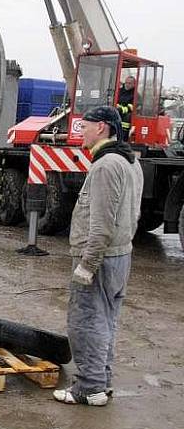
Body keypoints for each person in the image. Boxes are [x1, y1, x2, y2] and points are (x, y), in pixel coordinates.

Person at [54, 106, 143, 406]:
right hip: (120, 258)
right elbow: (134, 215)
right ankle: (101, 382)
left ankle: (89, 387)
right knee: (106, 322)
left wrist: (86, 266)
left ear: (101, 128)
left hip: (100, 260)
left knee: (87, 322)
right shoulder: (131, 163)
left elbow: (102, 225)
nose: (80, 132)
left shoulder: (105, 167)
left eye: (84, 126)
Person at [116, 75, 136, 140]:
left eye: (129, 83)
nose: (127, 85)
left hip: (125, 116)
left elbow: (131, 107)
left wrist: (121, 109)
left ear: (134, 84)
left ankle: (123, 138)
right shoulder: (119, 91)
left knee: (127, 117)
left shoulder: (135, 94)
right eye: (126, 83)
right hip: (116, 112)